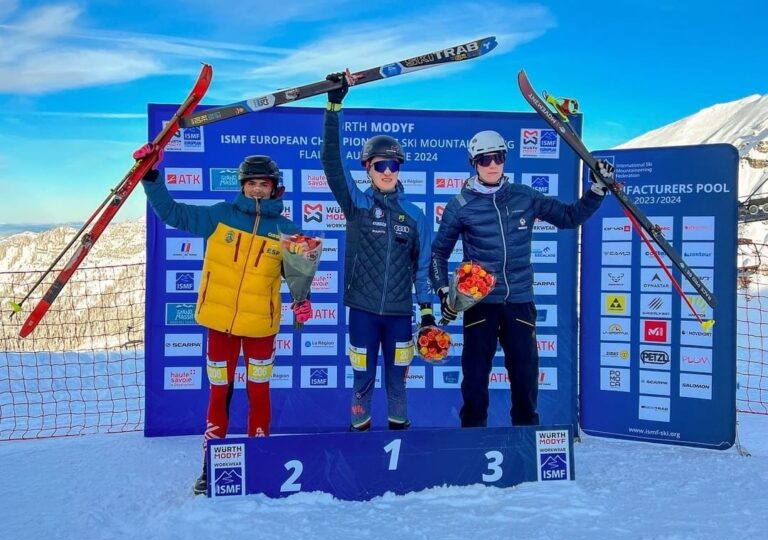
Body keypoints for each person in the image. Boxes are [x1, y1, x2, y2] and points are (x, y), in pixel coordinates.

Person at [135, 145, 312, 494]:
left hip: (261, 327)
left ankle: (258, 461)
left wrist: (302, 299)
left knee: (259, 395)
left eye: (264, 184)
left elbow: (298, 276)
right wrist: (152, 176)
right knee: (220, 395)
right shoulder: (219, 216)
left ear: (275, 188)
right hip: (221, 327)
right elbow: (173, 214)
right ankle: (211, 465)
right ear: (242, 186)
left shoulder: (288, 230)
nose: (257, 190)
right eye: (252, 184)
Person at [430, 130, 612, 427]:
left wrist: (596, 191)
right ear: (473, 163)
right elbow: (438, 254)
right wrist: (443, 292)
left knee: (525, 378)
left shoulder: (524, 196)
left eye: (498, 157)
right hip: (480, 303)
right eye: (485, 159)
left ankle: (526, 445)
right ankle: (473, 443)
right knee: (475, 379)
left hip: (519, 301)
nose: (492, 165)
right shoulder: (460, 205)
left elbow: (568, 217)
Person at [321, 73, 435, 431]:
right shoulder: (356, 204)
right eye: (379, 165)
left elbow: (423, 268)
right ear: (368, 168)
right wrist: (334, 108)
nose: (387, 171)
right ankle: (361, 443)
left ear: (399, 169)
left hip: (400, 315)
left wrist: (428, 313)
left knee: (398, 384)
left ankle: (399, 445)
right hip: (363, 313)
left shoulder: (416, 216)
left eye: (393, 165)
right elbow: (331, 163)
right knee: (362, 381)